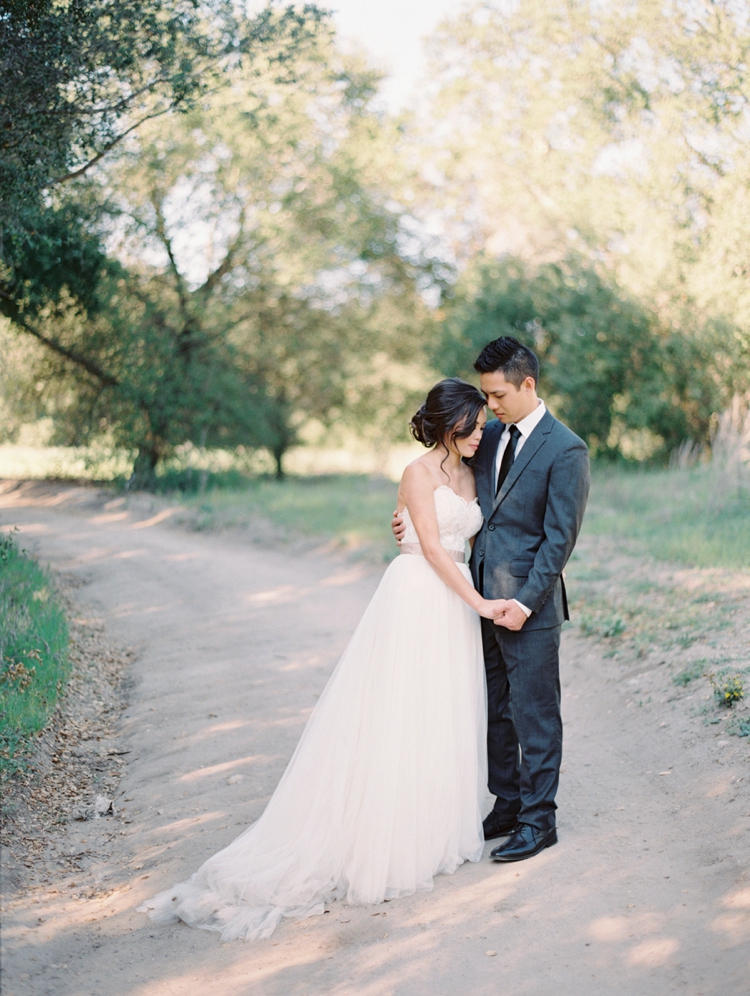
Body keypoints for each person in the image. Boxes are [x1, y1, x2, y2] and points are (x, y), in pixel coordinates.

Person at [139, 378, 506, 942]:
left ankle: (429, 832)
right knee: (399, 714)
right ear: (449, 425)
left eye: (483, 425)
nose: (483, 433)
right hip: (419, 596)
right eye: (475, 425)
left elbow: (453, 531)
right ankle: (382, 842)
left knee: (442, 714)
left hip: (451, 605)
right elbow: (430, 547)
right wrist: (480, 601)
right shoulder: (415, 473)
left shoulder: (471, 470)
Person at [393, 337, 590, 862]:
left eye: (498, 394)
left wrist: (524, 603)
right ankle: (506, 804)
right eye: (486, 396)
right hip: (473, 597)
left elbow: (559, 539)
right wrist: (408, 522)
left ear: (528, 384)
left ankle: (538, 819)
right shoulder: (486, 435)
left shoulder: (566, 448)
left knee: (535, 712)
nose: (491, 406)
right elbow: (447, 489)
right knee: (493, 711)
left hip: (528, 605)